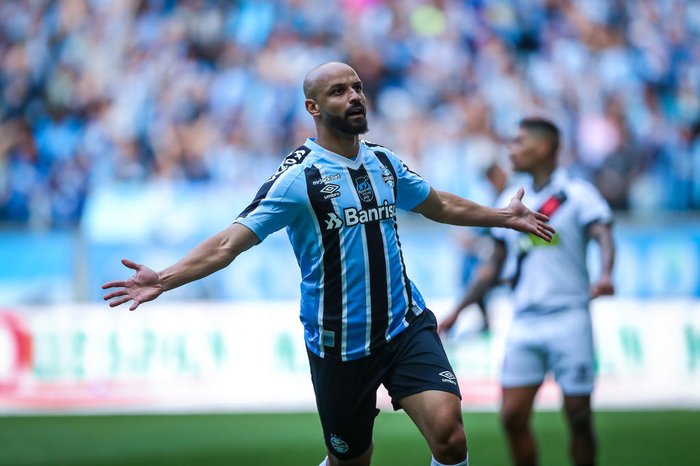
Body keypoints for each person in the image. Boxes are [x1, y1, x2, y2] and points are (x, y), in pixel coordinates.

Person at [102, 63, 554, 466]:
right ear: (313, 108)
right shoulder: (297, 178)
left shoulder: (383, 161)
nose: (355, 96)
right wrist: (163, 278)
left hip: (404, 325)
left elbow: (437, 205)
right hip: (340, 344)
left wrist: (502, 217)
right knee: (352, 461)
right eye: (339, 91)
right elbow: (227, 243)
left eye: (357, 87)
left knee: (451, 438)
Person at [439, 117, 615, 466]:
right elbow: (492, 265)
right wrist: (459, 309)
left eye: (519, 142)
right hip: (524, 320)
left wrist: (607, 272)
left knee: (579, 416)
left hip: (570, 315)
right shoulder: (510, 199)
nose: (511, 149)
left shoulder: (578, 195)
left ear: (545, 147)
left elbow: (603, 234)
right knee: (512, 417)